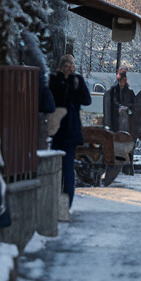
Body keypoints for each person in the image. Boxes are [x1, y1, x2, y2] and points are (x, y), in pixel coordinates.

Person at [49, 54, 91, 207]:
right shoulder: (54, 80)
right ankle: (55, 198)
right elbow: (50, 100)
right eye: (66, 65)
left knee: (67, 166)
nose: (69, 68)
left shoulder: (77, 80)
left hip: (71, 129)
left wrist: (77, 86)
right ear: (61, 67)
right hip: (57, 128)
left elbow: (87, 100)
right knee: (56, 166)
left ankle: (67, 202)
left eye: (71, 65)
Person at [104, 67, 137, 132]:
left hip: (126, 123)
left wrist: (127, 107)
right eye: (121, 80)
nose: (122, 82)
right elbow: (110, 107)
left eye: (124, 80)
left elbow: (134, 104)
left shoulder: (129, 92)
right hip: (115, 123)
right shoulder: (112, 92)